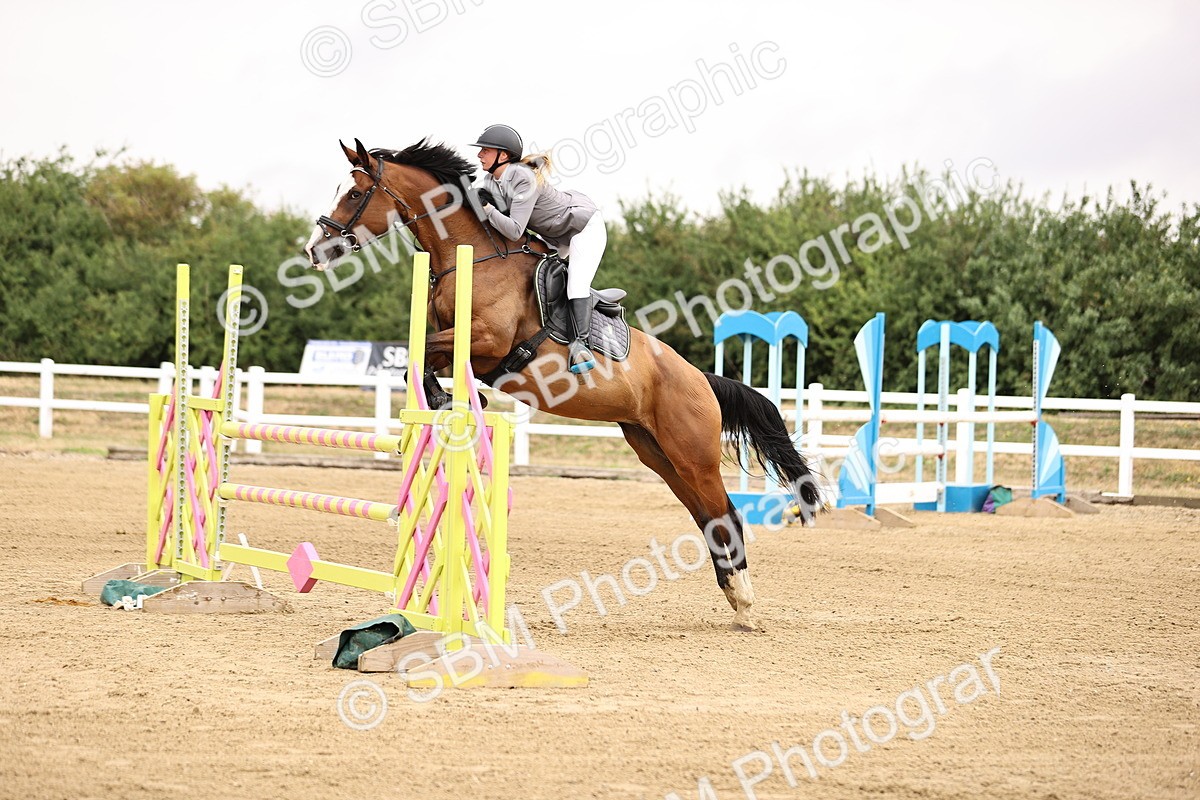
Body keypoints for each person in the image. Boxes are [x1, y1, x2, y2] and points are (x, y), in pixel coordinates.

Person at [470, 124, 606, 374]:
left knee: (576, 285)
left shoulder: (523, 177)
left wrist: (488, 209)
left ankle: (581, 347)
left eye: (485, 151)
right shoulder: (492, 180)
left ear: (503, 155)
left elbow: (513, 230)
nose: (480, 155)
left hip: (582, 230)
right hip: (554, 237)